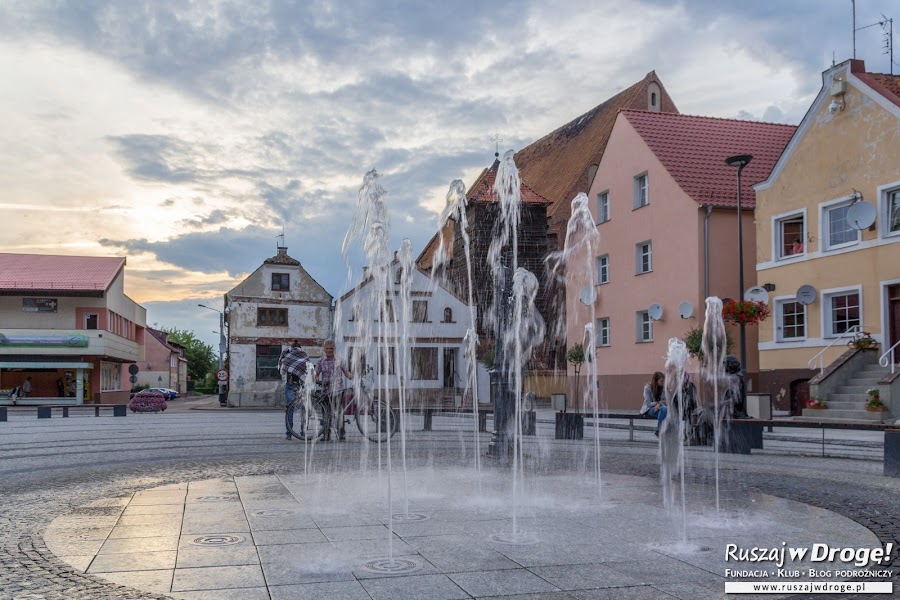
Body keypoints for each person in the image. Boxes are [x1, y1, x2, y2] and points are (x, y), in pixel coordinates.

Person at [314, 339, 352, 441]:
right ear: (324, 349)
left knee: (339, 412)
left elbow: (346, 372)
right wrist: (315, 378)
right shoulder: (320, 361)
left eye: (331, 348)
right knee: (326, 413)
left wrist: (351, 376)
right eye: (327, 348)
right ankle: (326, 435)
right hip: (325, 391)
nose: (329, 350)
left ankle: (341, 434)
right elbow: (316, 373)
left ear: (334, 348)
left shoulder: (340, 360)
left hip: (338, 390)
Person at [278, 340, 309, 440]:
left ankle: (289, 433)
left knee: (289, 409)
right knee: (304, 410)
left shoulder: (287, 356)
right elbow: (309, 370)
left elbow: (282, 372)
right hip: (303, 386)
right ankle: (303, 432)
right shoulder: (304, 356)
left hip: (291, 385)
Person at [640, 371, 667, 437]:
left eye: (663, 381)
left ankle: (660, 431)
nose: (663, 383)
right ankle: (660, 430)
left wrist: (659, 404)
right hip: (649, 409)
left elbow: (666, 401)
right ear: (656, 381)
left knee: (665, 410)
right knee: (664, 410)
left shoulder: (663, 388)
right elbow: (648, 404)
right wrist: (658, 403)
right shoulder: (647, 388)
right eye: (661, 381)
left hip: (660, 408)